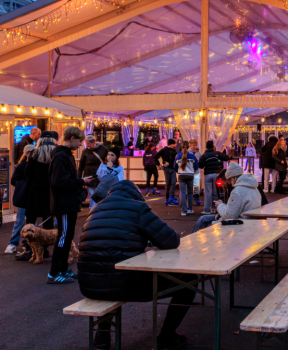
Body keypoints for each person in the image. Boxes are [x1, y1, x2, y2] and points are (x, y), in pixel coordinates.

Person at [78, 179, 194, 350]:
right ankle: (167, 336)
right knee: (189, 283)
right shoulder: (137, 208)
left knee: (108, 271)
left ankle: (103, 336)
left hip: (88, 285)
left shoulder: (95, 210)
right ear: (136, 195)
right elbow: (170, 240)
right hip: (126, 284)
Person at [47, 126, 90, 284]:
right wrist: (81, 182)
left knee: (67, 236)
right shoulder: (61, 156)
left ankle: (63, 269)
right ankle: (54, 272)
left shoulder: (64, 155)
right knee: (64, 236)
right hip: (64, 203)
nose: (80, 144)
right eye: (79, 141)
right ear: (72, 138)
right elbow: (59, 182)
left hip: (67, 202)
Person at [17, 131, 57, 261]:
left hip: (35, 192)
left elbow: (27, 172)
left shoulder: (35, 153)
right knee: (48, 221)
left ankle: (30, 250)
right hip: (50, 192)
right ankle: (45, 249)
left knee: (31, 220)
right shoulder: (56, 153)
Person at [191, 161, 261, 232]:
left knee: (203, 223)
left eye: (229, 179)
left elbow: (229, 215)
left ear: (232, 178)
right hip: (246, 222)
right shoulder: (253, 188)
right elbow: (234, 210)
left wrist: (220, 205)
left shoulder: (238, 191)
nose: (229, 182)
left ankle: (192, 242)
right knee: (202, 219)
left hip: (238, 224)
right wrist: (222, 205)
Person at [6, 144, 34, 254]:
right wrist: (24, 184)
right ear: (27, 154)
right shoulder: (21, 166)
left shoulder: (31, 165)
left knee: (30, 221)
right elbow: (13, 180)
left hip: (29, 195)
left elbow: (14, 180)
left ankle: (27, 243)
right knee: (20, 220)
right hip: (24, 196)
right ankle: (13, 242)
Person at [78, 135, 107, 208]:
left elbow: (108, 161)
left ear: (93, 142)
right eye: (86, 143)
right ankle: (92, 210)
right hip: (89, 176)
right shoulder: (85, 151)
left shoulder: (103, 149)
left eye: (88, 143)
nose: (87, 145)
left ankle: (99, 210)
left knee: (100, 193)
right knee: (91, 194)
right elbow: (81, 165)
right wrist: (79, 177)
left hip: (101, 176)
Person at [198, 141, 224, 214]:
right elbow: (223, 158)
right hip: (216, 174)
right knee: (215, 192)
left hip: (208, 174)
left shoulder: (204, 155)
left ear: (206, 147)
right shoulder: (217, 154)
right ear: (213, 146)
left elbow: (201, 166)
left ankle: (207, 209)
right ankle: (215, 208)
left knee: (208, 192)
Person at [176, 144, 198, 215]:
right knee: (190, 193)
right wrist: (192, 171)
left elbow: (175, 167)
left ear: (181, 147)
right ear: (188, 147)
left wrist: (179, 171)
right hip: (190, 175)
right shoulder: (192, 156)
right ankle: (190, 209)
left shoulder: (178, 156)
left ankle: (184, 211)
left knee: (183, 193)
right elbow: (196, 166)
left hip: (181, 175)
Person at [157, 138, 179, 206]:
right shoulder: (164, 150)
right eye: (173, 144)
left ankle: (171, 196)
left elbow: (175, 160)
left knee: (173, 183)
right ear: (171, 144)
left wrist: (169, 163)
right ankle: (167, 198)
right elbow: (155, 157)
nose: (174, 145)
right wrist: (159, 165)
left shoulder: (174, 151)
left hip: (172, 168)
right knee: (168, 183)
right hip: (167, 169)